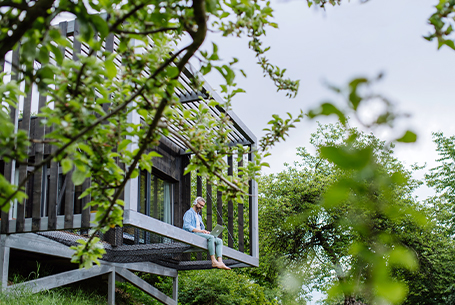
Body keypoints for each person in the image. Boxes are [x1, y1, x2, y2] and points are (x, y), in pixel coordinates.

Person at [183, 196, 231, 270]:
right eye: (200, 205)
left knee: (219, 241)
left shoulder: (199, 216)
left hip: (199, 235)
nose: (201, 207)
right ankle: (213, 261)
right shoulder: (189, 213)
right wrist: (201, 231)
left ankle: (220, 262)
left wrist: (205, 232)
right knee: (211, 237)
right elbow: (186, 226)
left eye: (203, 206)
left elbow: (201, 229)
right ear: (195, 203)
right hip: (192, 235)